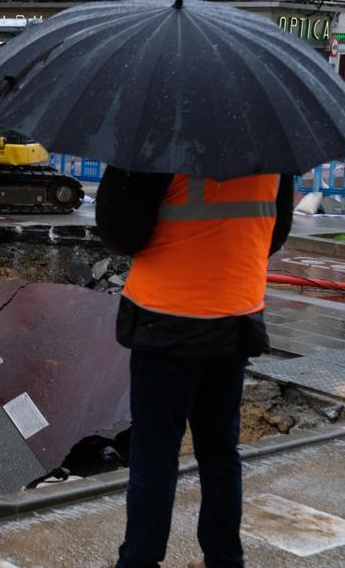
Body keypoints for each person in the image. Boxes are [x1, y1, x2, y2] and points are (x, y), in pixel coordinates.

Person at [97, 168, 294, 568]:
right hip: (235, 317)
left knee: (155, 453)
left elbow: (120, 232)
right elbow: (277, 229)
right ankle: (224, 558)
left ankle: (139, 560)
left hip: (165, 319)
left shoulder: (156, 137)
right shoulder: (271, 147)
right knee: (220, 450)